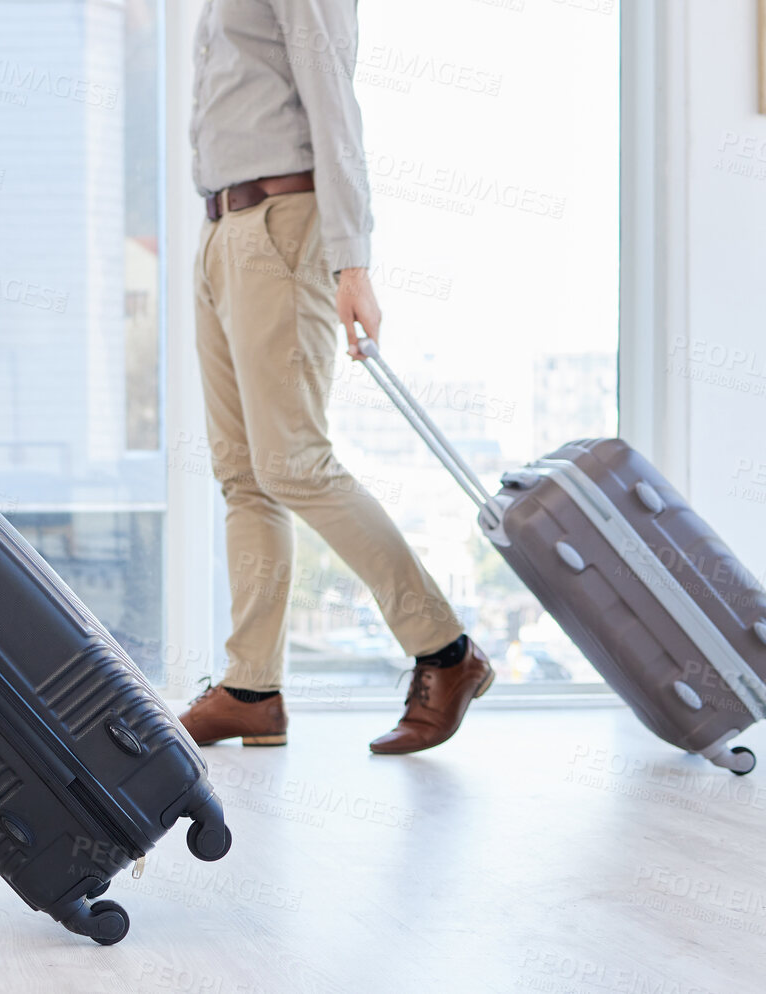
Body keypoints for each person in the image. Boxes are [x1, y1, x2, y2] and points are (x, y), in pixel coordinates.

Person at [180, 0, 494, 754]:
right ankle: (250, 687)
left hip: (283, 225)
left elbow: (332, 103)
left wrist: (352, 261)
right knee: (243, 475)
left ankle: (445, 653)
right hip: (222, 229)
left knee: (294, 465)